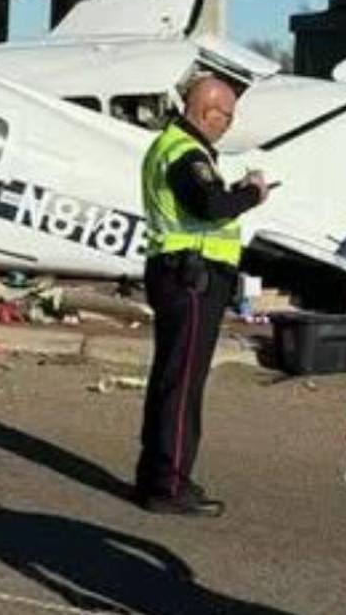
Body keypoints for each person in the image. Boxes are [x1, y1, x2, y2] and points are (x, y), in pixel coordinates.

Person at [135, 75, 269, 516]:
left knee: (171, 377)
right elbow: (208, 205)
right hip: (192, 277)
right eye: (226, 116)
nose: (228, 126)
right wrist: (250, 194)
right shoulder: (186, 153)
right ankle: (169, 483)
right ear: (207, 111)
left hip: (177, 272)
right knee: (183, 383)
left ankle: (156, 473)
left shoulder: (170, 146)